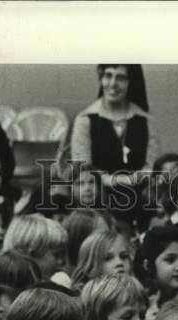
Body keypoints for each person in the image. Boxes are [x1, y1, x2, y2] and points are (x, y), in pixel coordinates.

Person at [69, 65, 158, 221]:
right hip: (97, 198)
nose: (113, 83)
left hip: (137, 195)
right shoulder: (85, 120)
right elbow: (82, 168)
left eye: (121, 78)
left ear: (131, 82)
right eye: (108, 76)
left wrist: (133, 180)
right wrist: (115, 181)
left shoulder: (146, 121)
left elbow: (151, 166)